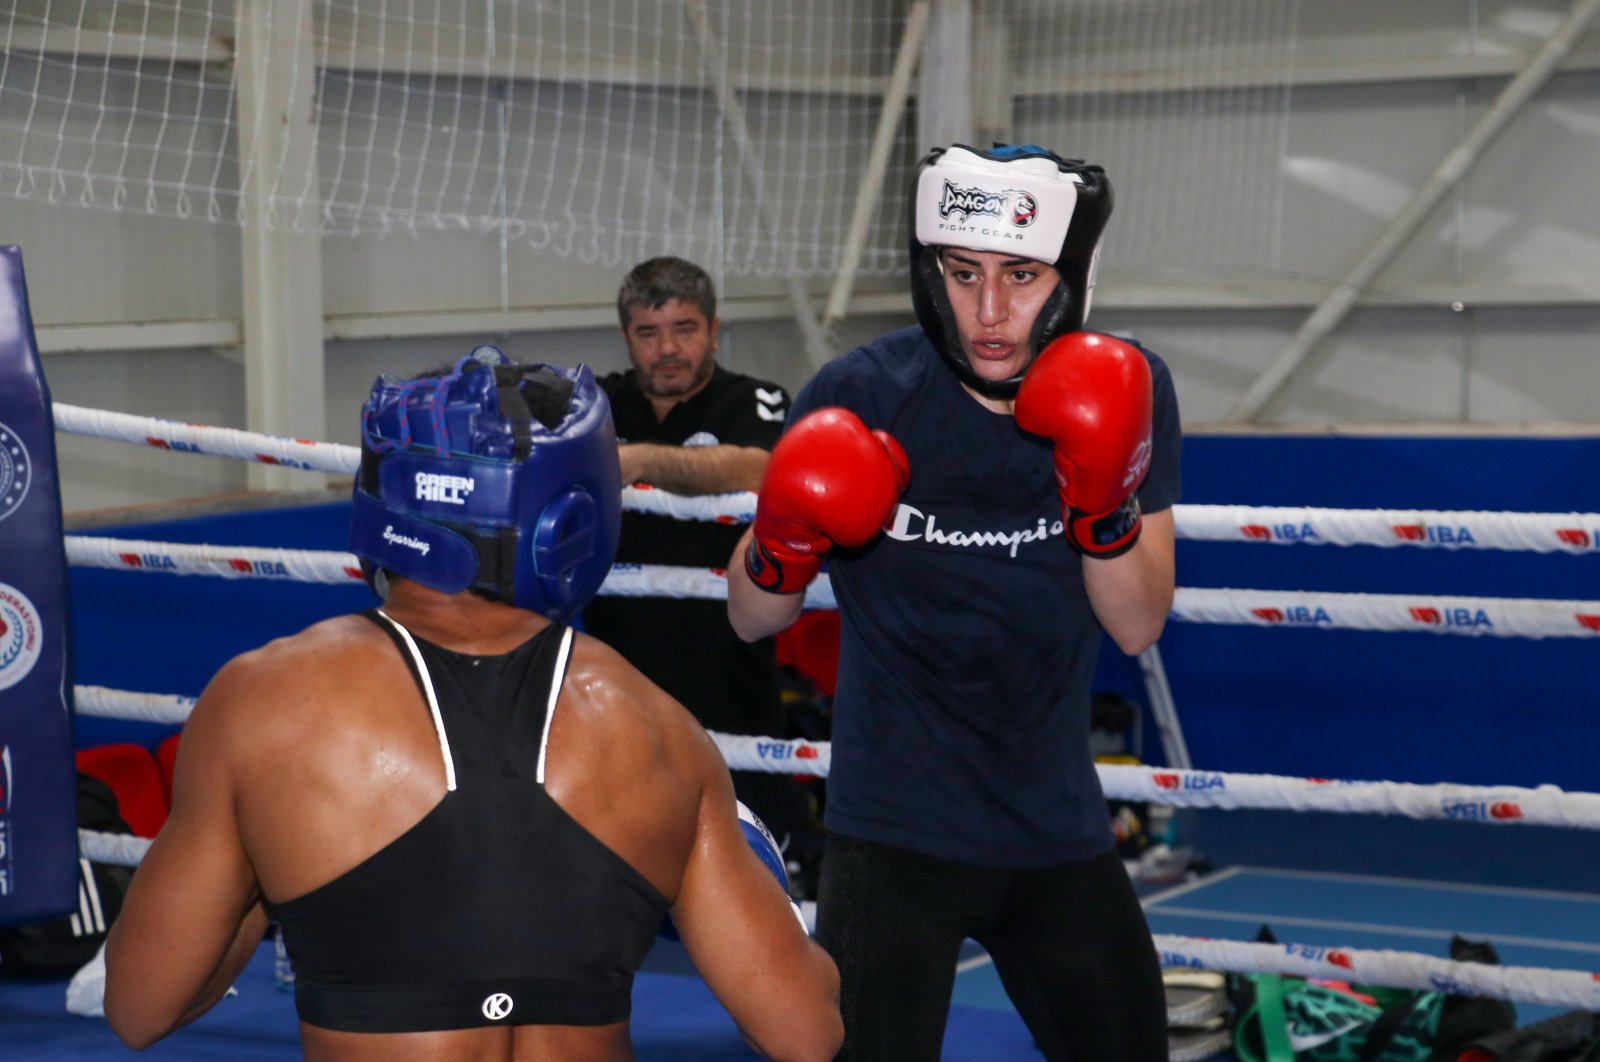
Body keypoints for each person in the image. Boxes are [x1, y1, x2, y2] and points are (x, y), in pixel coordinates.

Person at [103, 348, 842, 1061]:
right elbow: (804, 1034)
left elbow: (140, 1006)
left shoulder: (263, 707)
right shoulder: (658, 731)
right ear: (574, 520)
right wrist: (764, 882)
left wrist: (270, 866)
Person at [726, 144, 1182, 1060]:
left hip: (1054, 827)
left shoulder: (1130, 389)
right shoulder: (860, 392)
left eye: (1022, 275)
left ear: (1071, 276)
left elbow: (1137, 620)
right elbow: (750, 617)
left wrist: (1099, 506)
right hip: (890, 835)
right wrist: (783, 537)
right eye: (962, 273)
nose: (990, 310)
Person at [583, 256, 807, 847]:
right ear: (627, 337)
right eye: (649, 333)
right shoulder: (595, 405)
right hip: (617, 697)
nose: (668, 349)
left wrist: (639, 460)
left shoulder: (754, 399)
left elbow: (761, 468)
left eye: (685, 329)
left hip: (731, 692)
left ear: (712, 328)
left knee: (751, 886)